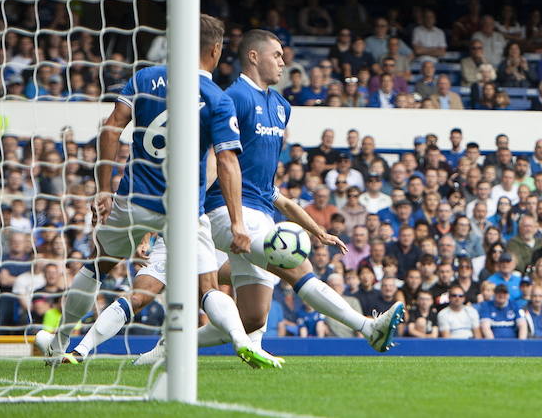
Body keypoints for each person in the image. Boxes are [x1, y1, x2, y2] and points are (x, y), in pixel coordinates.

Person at [133, 30, 405, 364]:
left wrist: (315, 229)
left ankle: (167, 350)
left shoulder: (281, 106)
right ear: (253, 56)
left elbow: (268, 184)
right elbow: (215, 160)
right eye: (276, 55)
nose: (282, 61)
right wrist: (183, 218)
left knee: (253, 318)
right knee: (295, 265)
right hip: (229, 211)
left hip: (261, 212)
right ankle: (368, 327)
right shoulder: (232, 98)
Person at [35, 15, 279, 368]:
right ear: (214, 49)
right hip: (183, 209)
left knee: (97, 266)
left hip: (134, 200)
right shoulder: (217, 97)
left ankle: (60, 342)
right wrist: (238, 222)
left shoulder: (145, 78)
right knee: (208, 285)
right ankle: (242, 340)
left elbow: (111, 128)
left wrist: (103, 189)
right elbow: (226, 162)